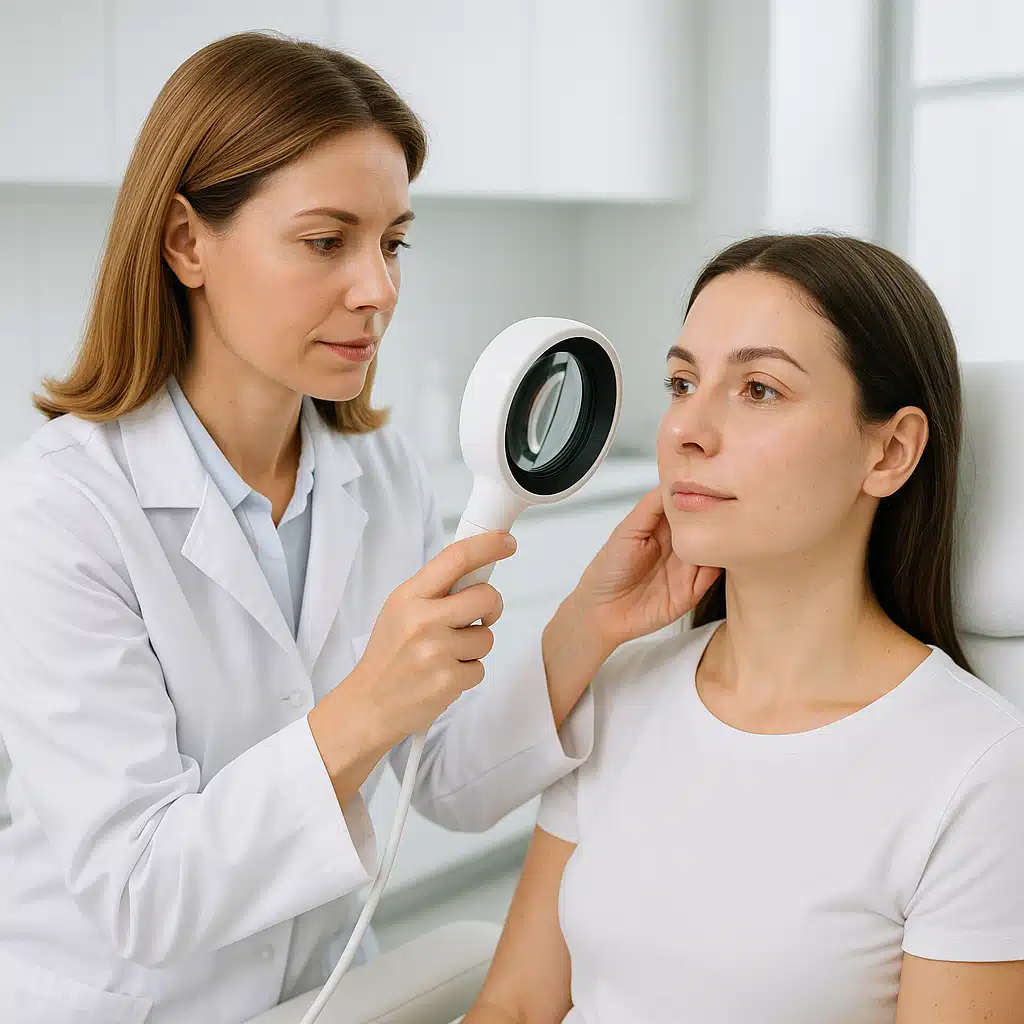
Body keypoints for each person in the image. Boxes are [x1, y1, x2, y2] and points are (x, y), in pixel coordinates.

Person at [0, 33, 710, 1024]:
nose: (377, 288)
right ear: (185, 242)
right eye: (327, 241)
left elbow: (447, 781)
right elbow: (139, 892)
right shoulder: (60, 510)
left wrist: (584, 624)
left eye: (392, 242)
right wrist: (365, 705)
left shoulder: (376, 473)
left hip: (328, 989)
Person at [465, 234, 1024, 1023]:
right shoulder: (621, 689)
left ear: (891, 452)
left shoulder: (978, 772)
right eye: (683, 381)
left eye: (758, 389)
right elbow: (517, 1007)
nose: (686, 429)